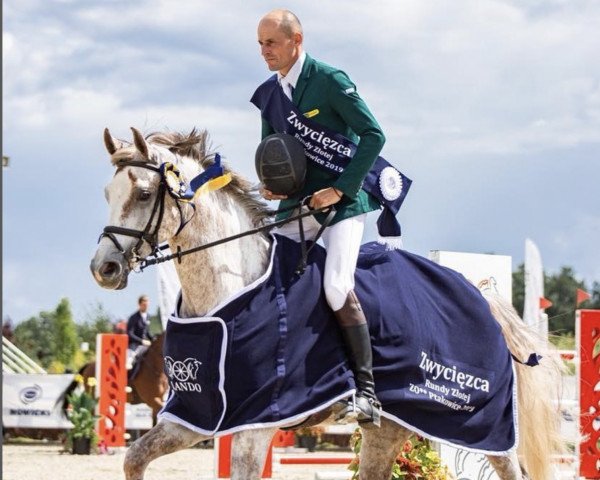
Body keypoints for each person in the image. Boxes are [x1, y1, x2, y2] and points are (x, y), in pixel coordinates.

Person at [254, 9, 385, 425]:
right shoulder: (269, 94)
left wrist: (340, 188)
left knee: (334, 287)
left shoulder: (329, 80)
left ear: (296, 40)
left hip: (343, 205)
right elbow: (271, 152)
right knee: (270, 274)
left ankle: (367, 394)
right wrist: (271, 187)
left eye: (271, 43)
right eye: (260, 44)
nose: (264, 52)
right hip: (298, 207)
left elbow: (373, 135)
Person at [126, 295, 153, 370]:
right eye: (144, 305)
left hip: (144, 345)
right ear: (139, 304)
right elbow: (129, 333)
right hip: (134, 345)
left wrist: (154, 339)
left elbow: (147, 332)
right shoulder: (134, 317)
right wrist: (142, 341)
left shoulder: (148, 316)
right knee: (128, 363)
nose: (146, 306)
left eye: (147, 305)